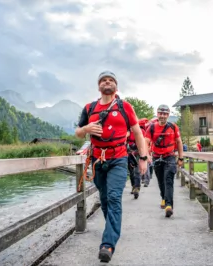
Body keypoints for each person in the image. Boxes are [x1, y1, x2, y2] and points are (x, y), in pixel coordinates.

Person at [75, 71, 148, 263]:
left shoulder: (125, 107)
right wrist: (86, 129)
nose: (107, 82)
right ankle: (113, 229)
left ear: (116, 86)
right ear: (99, 86)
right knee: (105, 200)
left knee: (114, 197)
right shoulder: (89, 108)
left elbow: (138, 133)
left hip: (118, 159)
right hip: (98, 160)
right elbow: (78, 133)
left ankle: (107, 244)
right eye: (103, 80)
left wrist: (143, 157)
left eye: (111, 80)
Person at [145, 104, 183, 218]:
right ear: (157, 114)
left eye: (165, 114)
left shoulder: (173, 127)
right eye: (161, 113)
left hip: (169, 156)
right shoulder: (151, 128)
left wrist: (181, 157)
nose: (163, 116)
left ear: (168, 114)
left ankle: (169, 206)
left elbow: (179, 142)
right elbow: (145, 142)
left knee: (168, 180)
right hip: (157, 157)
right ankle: (163, 197)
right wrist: (147, 155)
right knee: (161, 181)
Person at [127, 118, 148, 197]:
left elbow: (143, 142)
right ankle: (133, 185)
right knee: (131, 171)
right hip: (129, 153)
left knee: (137, 171)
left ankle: (137, 187)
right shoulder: (127, 131)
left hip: (138, 152)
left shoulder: (140, 131)